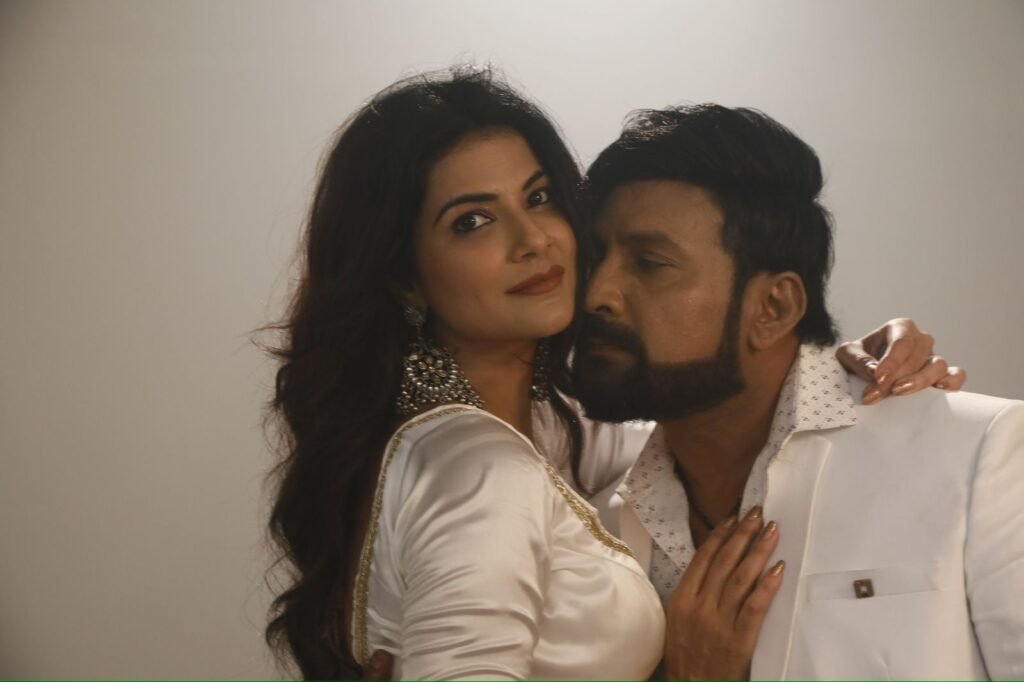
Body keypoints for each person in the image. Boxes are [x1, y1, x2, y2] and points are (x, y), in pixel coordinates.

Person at [264, 68, 962, 680]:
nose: (533, 240)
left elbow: (688, 431)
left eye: (539, 197)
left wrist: (830, 364)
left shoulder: (544, 431)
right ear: (405, 278)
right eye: (473, 221)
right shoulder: (480, 466)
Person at [573, 103, 1023, 679]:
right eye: (594, 259)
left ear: (773, 307)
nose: (597, 294)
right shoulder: (592, 520)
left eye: (650, 263)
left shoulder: (976, 452)